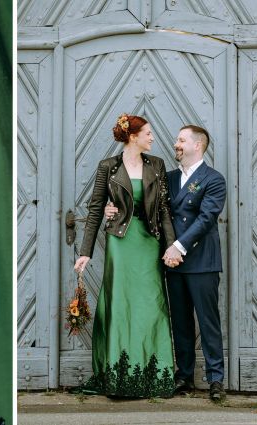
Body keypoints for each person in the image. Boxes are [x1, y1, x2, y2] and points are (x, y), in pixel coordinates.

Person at [108, 125, 227, 401]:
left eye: (181, 140)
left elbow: (205, 218)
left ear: (198, 145)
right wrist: (112, 208)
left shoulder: (213, 179)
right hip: (173, 263)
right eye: (177, 140)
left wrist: (178, 246)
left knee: (208, 321)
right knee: (181, 322)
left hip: (201, 262)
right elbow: (148, 208)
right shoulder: (168, 178)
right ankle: (184, 376)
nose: (176, 144)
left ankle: (216, 379)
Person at [74, 114, 176, 398]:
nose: (153, 138)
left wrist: (171, 245)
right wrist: (85, 252)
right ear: (132, 136)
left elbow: (164, 209)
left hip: (149, 241)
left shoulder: (156, 165)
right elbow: (96, 209)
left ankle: (153, 376)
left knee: (150, 304)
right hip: (120, 242)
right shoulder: (108, 167)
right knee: (120, 305)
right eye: (148, 133)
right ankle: (119, 378)